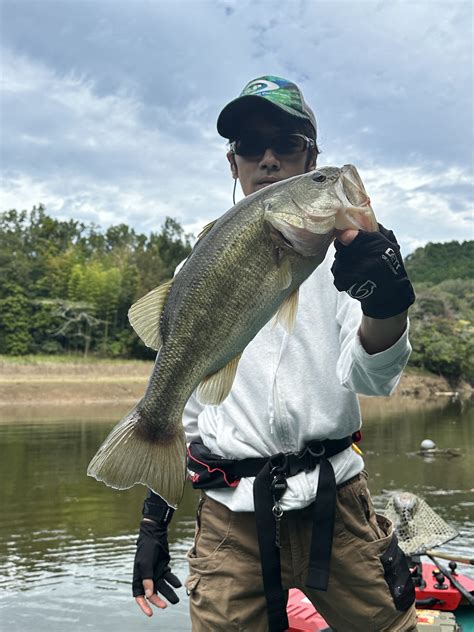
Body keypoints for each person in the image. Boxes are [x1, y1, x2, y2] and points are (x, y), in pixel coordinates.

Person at [132, 76, 417, 631]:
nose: (267, 159)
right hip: (228, 520)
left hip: (338, 507)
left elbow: (372, 377)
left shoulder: (350, 260)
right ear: (232, 162)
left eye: (286, 144)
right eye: (249, 146)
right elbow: (181, 404)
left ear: (310, 153)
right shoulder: (196, 267)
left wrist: (387, 306)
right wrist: (154, 519)